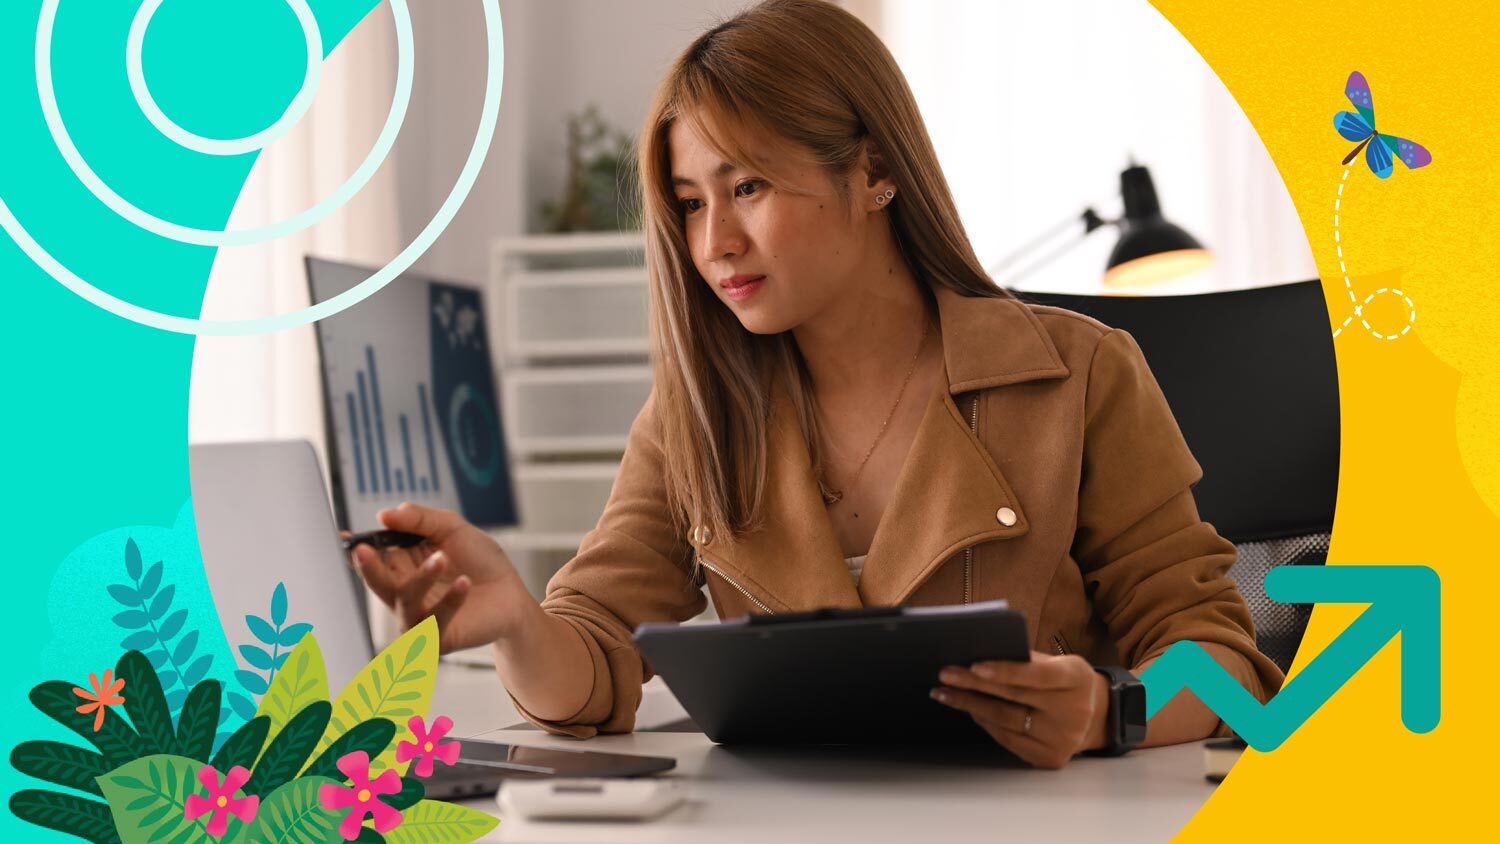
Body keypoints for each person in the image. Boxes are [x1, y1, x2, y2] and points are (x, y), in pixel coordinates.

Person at [347, 0, 1284, 769]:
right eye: (688, 202)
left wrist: (1107, 713)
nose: (713, 242)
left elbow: (1217, 652)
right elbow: (591, 666)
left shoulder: (1079, 372)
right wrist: (517, 621)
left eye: (746, 186)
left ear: (874, 169)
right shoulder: (693, 416)